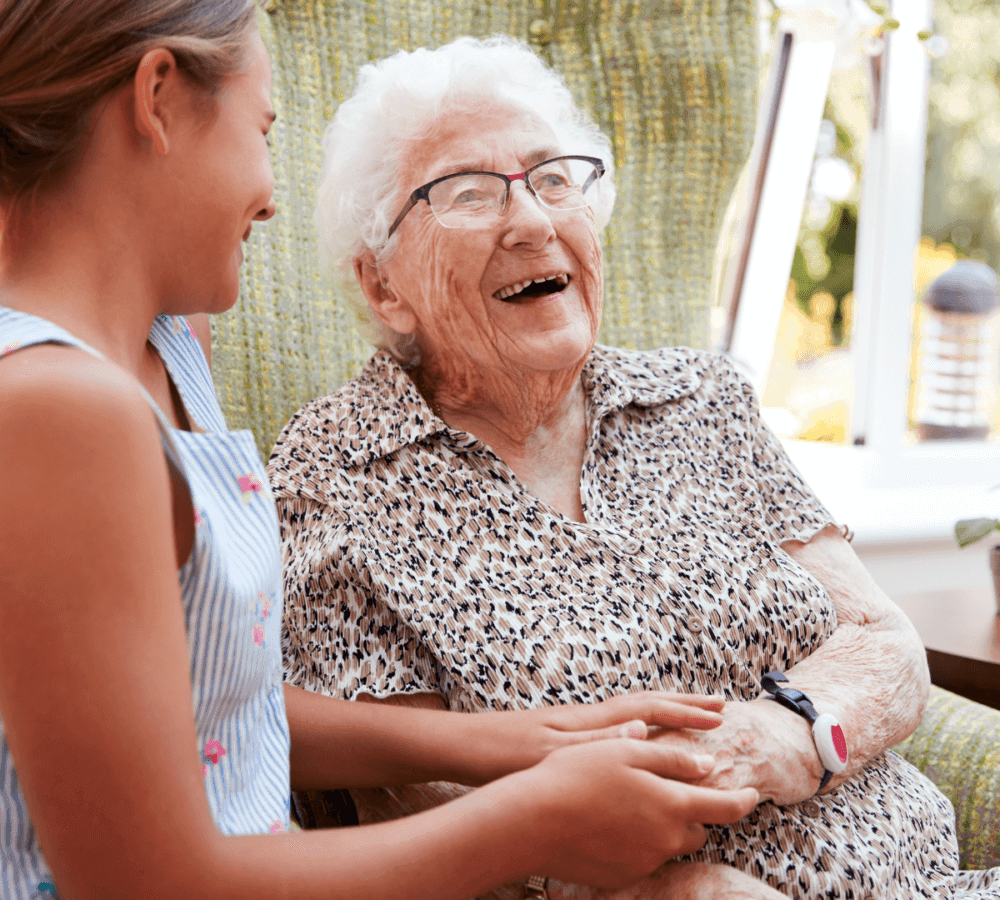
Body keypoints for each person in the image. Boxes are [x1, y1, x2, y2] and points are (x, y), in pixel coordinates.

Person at [0, 4, 765, 899]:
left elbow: (200, 709)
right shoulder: (53, 412)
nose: (273, 193)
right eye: (263, 129)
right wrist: (533, 822)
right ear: (159, 100)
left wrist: (516, 740)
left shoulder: (168, 337)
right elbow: (149, 882)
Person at [268, 35, 1000, 900]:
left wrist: (791, 734)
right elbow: (409, 813)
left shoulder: (699, 399)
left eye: (553, 179)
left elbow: (882, 643)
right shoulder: (337, 477)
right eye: (468, 193)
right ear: (383, 284)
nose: (536, 222)